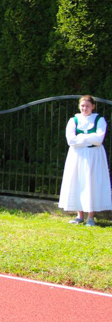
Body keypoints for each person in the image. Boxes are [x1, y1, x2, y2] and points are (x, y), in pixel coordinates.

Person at [58, 95, 111, 226]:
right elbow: (70, 140)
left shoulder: (99, 120)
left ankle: (91, 217)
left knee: (92, 183)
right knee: (77, 181)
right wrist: (88, 138)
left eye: (87, 106)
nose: (84, 108)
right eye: (82, 106)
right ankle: (79, 215)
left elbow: (99, 139)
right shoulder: (73, 120)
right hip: (77, 155)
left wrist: (80, 137)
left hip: (94, 156)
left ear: (93, 106)